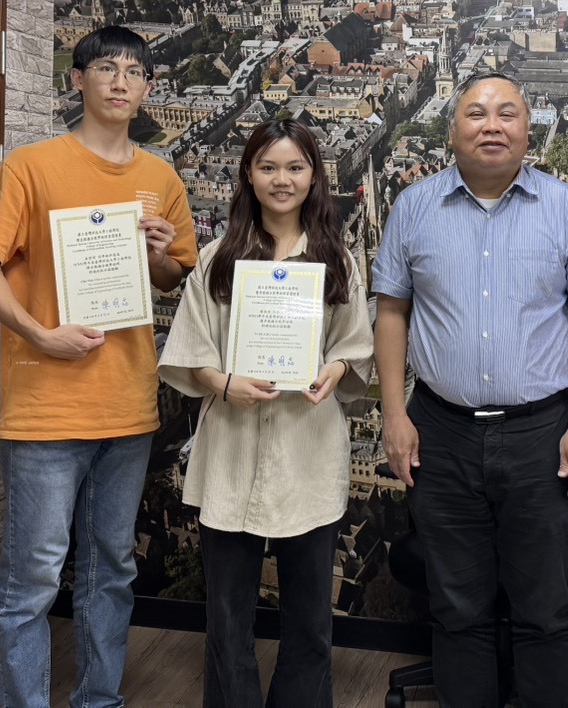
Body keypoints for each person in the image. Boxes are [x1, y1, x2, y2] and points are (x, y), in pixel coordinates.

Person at [373, 71, 568, 707]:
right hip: (442, 432)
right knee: (457, 609)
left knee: (546, 610)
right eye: (477, 113)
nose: (492, 125)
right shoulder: (413, 208)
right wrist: (395, 415)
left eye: (507, 113)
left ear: (528, 130)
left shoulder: (565, 207)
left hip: (542, 433)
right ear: (451, 130)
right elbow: (392, 313)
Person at [0, 25, 198, 708]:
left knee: (111, 571)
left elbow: (170, 278)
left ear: (148, 87)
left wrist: (156, 253)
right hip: (45, 410)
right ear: (78, 80)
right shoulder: (31, 167)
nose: (120, 82)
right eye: (105, 68)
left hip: (126, 406)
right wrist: (41, 335)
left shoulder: (160, 178)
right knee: (32, 579)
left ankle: (99, 700)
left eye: (134, 72)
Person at [158, 118, 374, 708]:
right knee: (227, 624)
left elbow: (355, 347)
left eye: (295, 167)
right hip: (231, 452)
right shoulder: (217, 260)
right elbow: (191, 350)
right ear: (248, 175)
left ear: (314, 176)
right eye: (269, 167)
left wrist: (335, 370)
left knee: (310, 623)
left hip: (308, 453)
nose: (282, 180)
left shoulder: (338, 261)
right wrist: (224, 383)